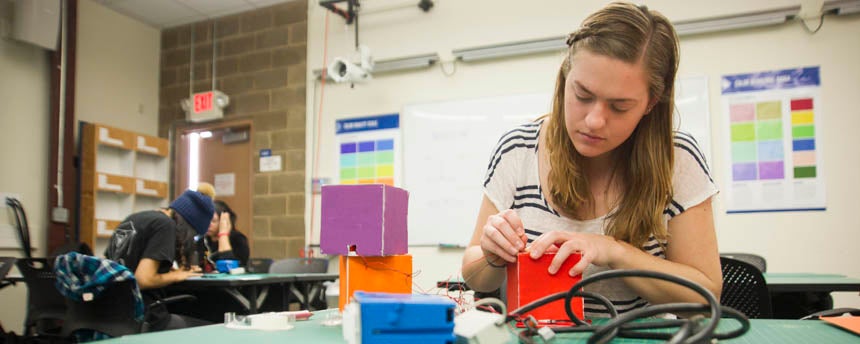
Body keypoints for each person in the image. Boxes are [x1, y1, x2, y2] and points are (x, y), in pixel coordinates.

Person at [461, 2, 721, 318]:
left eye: (620, 107)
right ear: (564, 79)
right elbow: (474, 275)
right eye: (583, 95)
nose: (595, 120)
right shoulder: (518, 150)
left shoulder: (677, 161)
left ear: (651, 103)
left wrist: (614, 252)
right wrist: (491, 254)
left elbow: (705, 298)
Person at [110, 189, 215, 330]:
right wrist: (176, 275)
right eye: (192, 234)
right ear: (188, 226)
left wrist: (171, 271)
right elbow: (143, 279)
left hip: (111, 312)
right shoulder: (165, 225)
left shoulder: (135, 218)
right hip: (144, 315)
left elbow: (123, 262)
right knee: (214, 329)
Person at [196, 200, 250, 272]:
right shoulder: (201, 242)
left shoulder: (238, 239)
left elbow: (229, 268)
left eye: (213, 221)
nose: (208, 224)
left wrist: (223, 234)